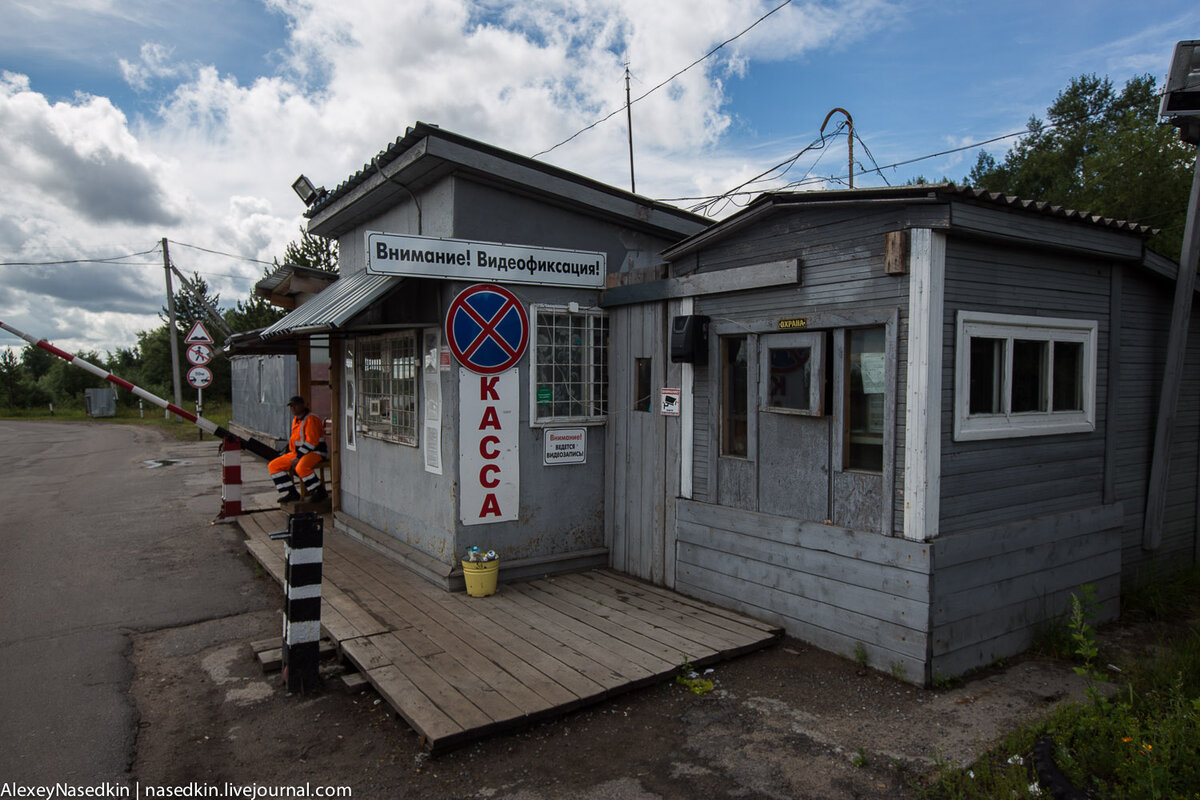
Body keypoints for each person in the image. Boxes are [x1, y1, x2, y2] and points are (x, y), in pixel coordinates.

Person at [268, 395, 327, 503]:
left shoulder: (311, 419)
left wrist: (298, 457)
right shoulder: (297, 420)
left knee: (301, 467)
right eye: (291, 406)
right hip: (298, 453)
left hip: (315, 452)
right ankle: (292, 493)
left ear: (302, 405)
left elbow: (311, 442)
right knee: (273, 466)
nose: (293, 408)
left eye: (295, 405)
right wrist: (289, 453)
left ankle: (320, 491)